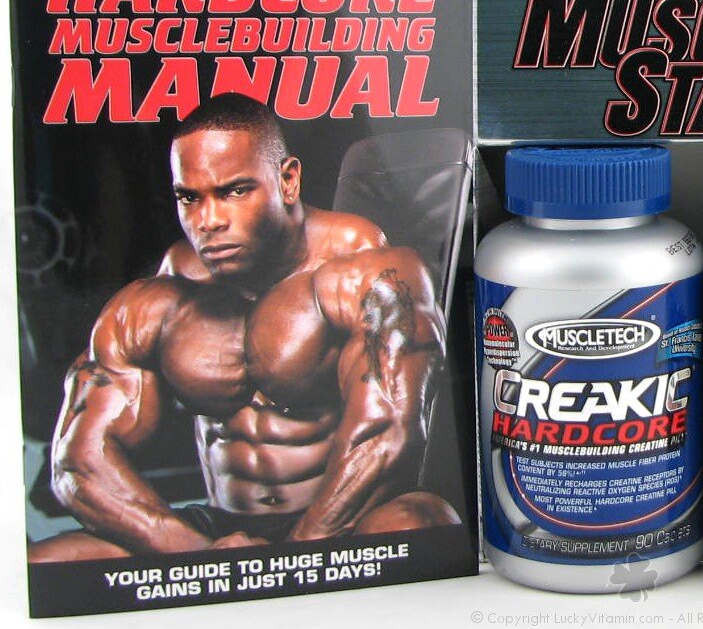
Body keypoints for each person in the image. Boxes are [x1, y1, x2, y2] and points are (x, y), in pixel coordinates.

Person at [29, 94, 458, 562]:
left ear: (288, 180)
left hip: (342, 520)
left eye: (234, 191)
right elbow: (78, 462)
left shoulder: (365, 271)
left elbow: (387, 434)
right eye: (190, 198)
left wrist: (289, 559)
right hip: (219, 532)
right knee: (50, 561)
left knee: (420, 522)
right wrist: (203, 553)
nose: (209, 221)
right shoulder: (163, 295)